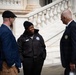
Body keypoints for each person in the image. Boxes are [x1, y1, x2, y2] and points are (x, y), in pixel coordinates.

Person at [0, 10, 21, 75]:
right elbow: (7, 49)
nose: (14, 20)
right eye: (13, 18)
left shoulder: (2, 29)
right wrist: (12, 63)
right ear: (10, 19)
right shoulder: (6, 31)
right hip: (7, 66)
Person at [60, 9, 76, 75]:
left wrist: (73, 61)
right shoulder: (69, 27)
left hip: (71, 63)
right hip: (69, 62)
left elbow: (74, 45)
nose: (61, 21)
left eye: (61, 19)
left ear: (64, 18)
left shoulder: (73, 27)